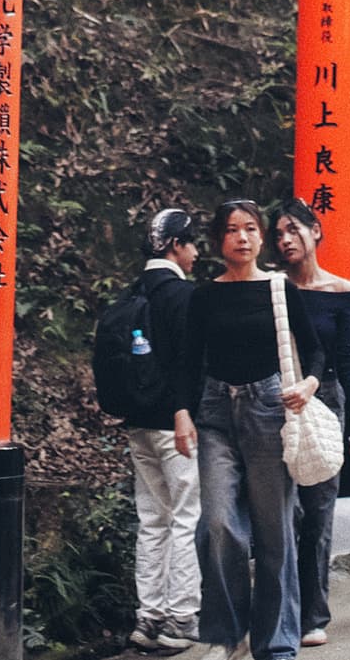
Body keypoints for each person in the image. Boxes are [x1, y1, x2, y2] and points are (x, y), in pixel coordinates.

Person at [169, 199, 335, 660]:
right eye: (231, 230)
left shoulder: (280, 289)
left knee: (274, 530)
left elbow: (316, 351)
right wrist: (181, 412)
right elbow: (187, 360)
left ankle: (276, 641)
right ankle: (230, 633)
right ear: (218, 240)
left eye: (250, 229)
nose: (241, 238)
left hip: (269, 408)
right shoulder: (204, 296)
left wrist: (309, 384)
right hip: (215, 412)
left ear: (261, 237)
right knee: (219, 524)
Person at [100, 206, 206, 649]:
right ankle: (181, 618)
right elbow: (187, 361)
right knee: (185, 517)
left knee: (152, 520)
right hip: (176, 425)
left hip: (137, 424)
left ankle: (149, 618)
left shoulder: (129, 296)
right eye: (192, 243)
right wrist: (185, 410)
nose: (197, 253)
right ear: (176, 245)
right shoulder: (182, 296)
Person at [268, 202, 350, 648]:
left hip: (326, 400)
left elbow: (348, 359)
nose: (285, 240)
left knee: (318, 511)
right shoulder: (272, 289)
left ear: (316, 231)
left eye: (293, 230)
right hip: (278, 397)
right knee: (282, 511)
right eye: (278, 234)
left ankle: (312, 614)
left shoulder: (341, 291)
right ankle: (281, 612)